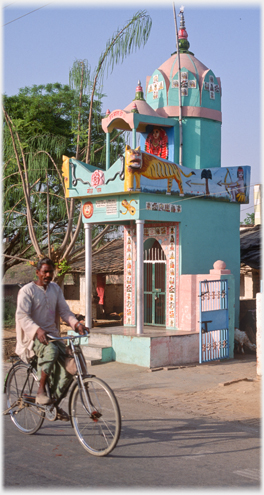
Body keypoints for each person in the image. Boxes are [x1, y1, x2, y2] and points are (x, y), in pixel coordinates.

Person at [15, 257, 90, 421]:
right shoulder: (27, 291)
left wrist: (77, 325)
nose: (48, 274)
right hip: (33, 338)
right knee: (51, 350)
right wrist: (36, 329)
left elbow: (65, 311)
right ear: (38, 273)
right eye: (45, 271)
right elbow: (22, 316)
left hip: (53, 336)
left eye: (51, 271)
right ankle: (41, 391)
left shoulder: (55, 289)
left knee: (72, 364)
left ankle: (53, 402)